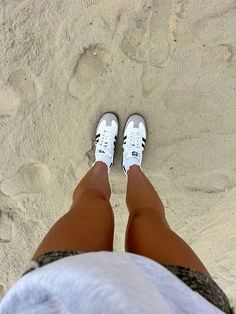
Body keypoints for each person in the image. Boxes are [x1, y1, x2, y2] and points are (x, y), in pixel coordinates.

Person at [0, 113, 232, 314]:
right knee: (148, 217)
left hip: (55, 296)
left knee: (90, 202)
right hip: (186, 303)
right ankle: (127, 164)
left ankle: (108, 162)